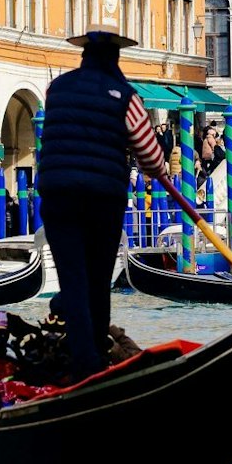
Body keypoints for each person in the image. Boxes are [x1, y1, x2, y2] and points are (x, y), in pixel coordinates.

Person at [36, 21, 169, 382]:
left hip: (57, 195)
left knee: (74, 281)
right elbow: (151, 157)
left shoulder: (56, 89)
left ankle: (84, 363)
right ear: (115, 56)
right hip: (101, 200)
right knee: (97, 281)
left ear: (84, 55)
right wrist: (157, 170)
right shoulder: (124, 95)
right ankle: (92, 362)